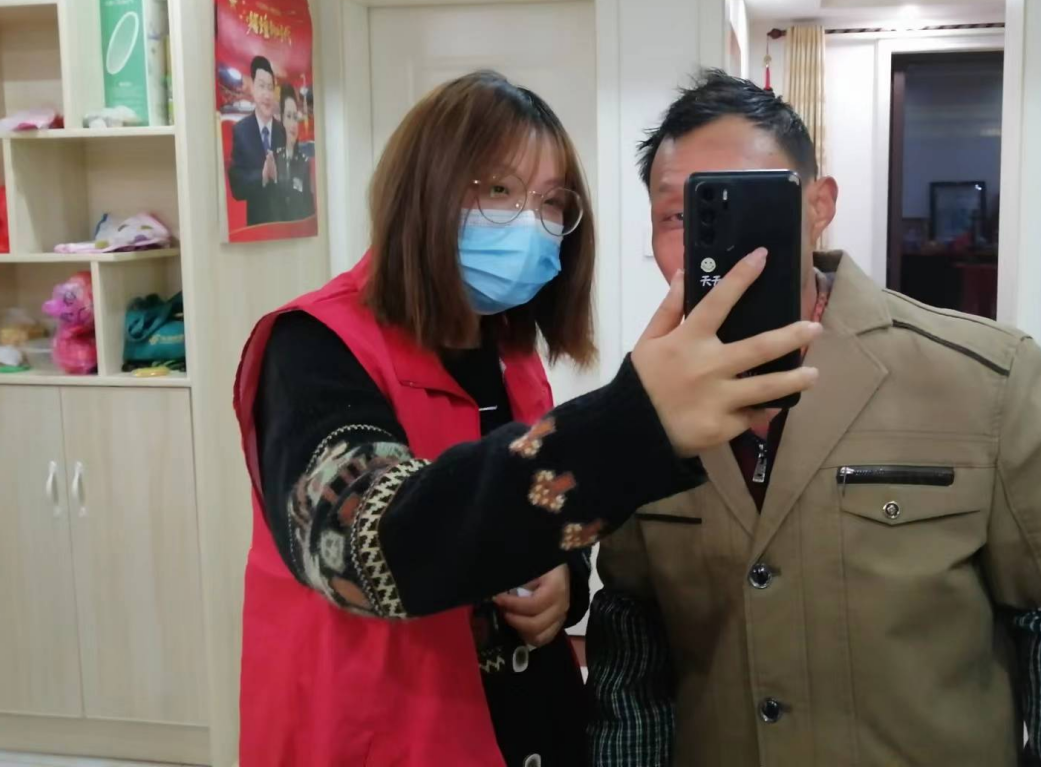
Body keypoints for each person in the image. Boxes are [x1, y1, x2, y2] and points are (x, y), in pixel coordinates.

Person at [232, 70, 821, 767]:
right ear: (422, 192)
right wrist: (636, 421)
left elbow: (527, 506)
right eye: (496, 191)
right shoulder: (311, 347)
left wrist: (562, 582)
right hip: (380, 735)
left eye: (551, 203)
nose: (528, 223)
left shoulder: (511, 353)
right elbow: (365, 547)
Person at [586, 70, 1041, 767]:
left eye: (755, 204)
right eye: (683, 216)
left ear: (818, 205)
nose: (718, 245)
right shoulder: (638, 409)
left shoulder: (984, 378)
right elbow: (631, 641)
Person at [228, 55, 281, 225]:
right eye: (261, 86)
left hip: (285, 222)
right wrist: (262, 175)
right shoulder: (241, 131)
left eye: (270, 88)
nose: (266, 94)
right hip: (257, 225)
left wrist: (279, 176)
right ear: (252, 88)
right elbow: (237, 187)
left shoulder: (283, 132)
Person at [270, 82, 314, 222]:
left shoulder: (304, 163)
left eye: (295, 117)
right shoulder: (272, 160)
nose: (293, 124)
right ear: (281, 119)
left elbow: (309, 208)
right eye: (288, 116)